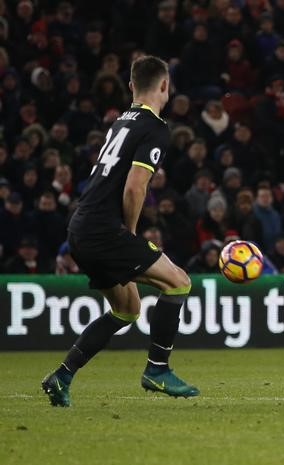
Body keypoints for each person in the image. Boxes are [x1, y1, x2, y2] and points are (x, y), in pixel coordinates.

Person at [42, 56, 199, 407]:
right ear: (164, 86)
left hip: (81, 228)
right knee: (179, 282)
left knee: (127, 310)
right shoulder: (155, 127)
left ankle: (61, 376)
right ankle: (157, 370)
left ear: (131, 86)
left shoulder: (120, 122)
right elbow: (134, 187)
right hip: (103, 231)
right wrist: (128, 234)